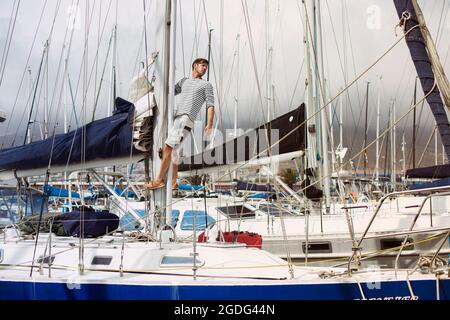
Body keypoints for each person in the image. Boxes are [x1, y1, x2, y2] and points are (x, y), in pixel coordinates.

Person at [145, 58, 215, 190]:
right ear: (194, 65)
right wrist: (156, 83)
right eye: (202, 65)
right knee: (174, 152)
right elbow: (170, 92)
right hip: (178, 117)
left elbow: (211, 105)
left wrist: (209, 124)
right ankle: (173, 182)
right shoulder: (184, 81)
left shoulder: (206, 85)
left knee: (167, 147)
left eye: (206, 66)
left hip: (186, 118)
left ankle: (159, 180)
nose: (205, 68)